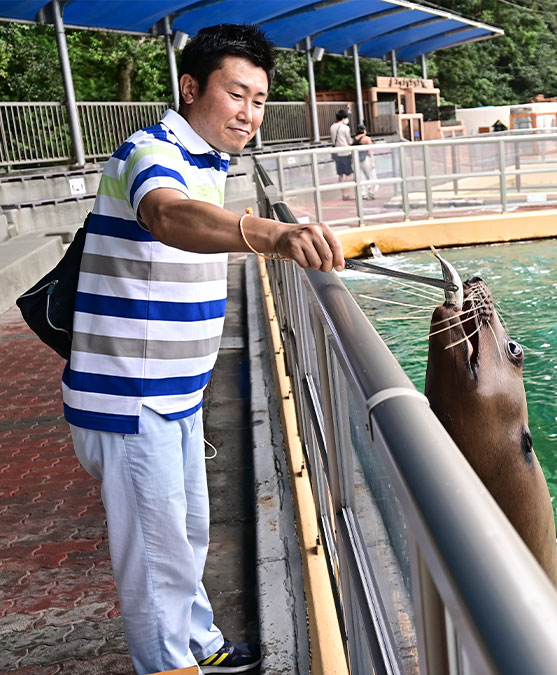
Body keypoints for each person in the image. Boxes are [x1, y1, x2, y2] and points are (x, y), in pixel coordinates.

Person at [61, 24, 344, 675]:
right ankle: (168, 664)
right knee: (157, 562)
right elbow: (167, 215)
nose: (249, 112)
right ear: (191, 88)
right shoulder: (151, 150)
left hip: (172, 395)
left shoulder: (208, 162)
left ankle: (199, 643)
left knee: (183, 538)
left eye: (260, 99)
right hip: (131, 401)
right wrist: (269, 233)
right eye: (236, 94)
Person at [329, 108, 353, 199]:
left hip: (336, 152)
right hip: (345, 152)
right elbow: (349, 141)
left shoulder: (332, 127)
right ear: (343, 118)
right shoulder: (345, 128)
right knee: (348, 174)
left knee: (340, 174)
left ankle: (343, 193)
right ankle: (346, 193)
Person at [352, 123, 377, 200]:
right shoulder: (366, 139)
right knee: (371, 175)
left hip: (356, 160)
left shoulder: (354, 139)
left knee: (361, 177)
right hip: (366, 159)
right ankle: (371, 192)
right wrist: (373, 161)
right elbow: (370, 150)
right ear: (364, 130)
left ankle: (363, 194)